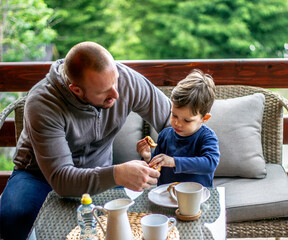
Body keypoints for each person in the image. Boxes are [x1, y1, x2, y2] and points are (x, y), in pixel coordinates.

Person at [0, 41, 171, 240]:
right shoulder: (43, 103)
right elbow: (61, 179)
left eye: (115, 81)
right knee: (12, 217)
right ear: (76, 90)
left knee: (138, 219)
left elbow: (171, 121)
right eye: (103, 91)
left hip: (100, 170)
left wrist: (171, 159)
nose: (116, 93)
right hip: (40, 176)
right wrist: (117, 174)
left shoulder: (126, 80)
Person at [137, 69, 220, 187]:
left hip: (196, 197)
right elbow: (155, 169)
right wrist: (146, 158)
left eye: (187, 120)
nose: (178, 123)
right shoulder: (165, 135)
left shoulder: (206, 137)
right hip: (165, 195)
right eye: (174, 115)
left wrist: (173, 162)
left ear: (204, 118)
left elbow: (210, 163)